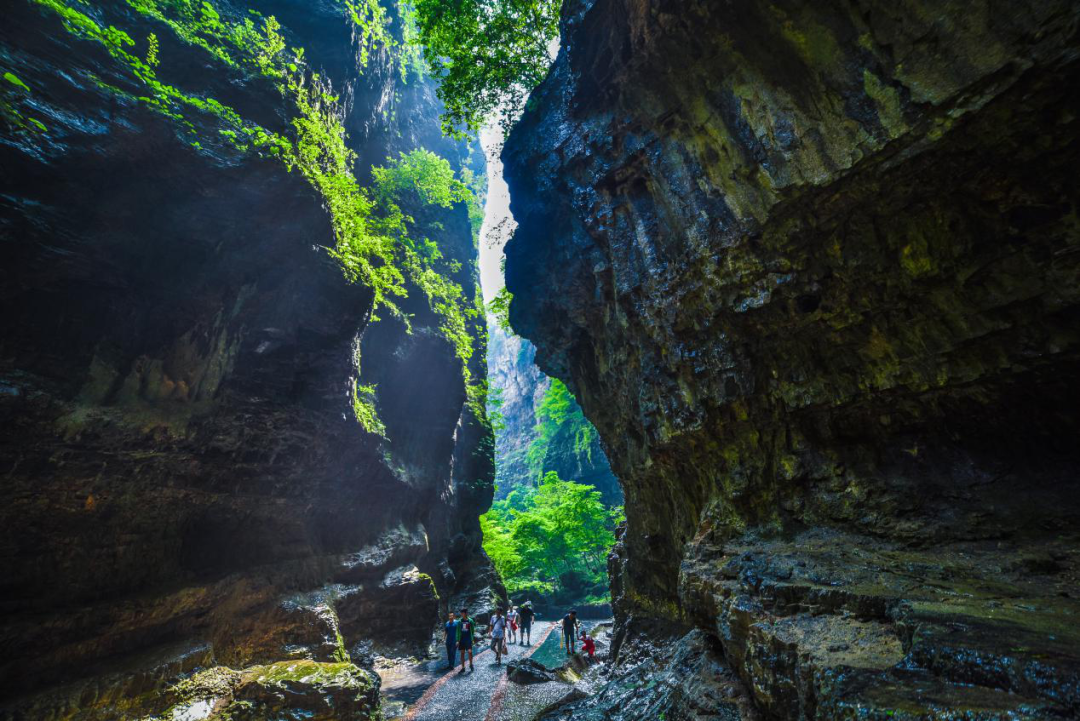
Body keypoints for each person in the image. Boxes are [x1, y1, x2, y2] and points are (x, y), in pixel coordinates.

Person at [457, 608, 475, 673]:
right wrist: (457, 640)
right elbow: (458, 631)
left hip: (468, 639)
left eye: (462, 613)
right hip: (462, 639)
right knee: (462, 653)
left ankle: (471, 664)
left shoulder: (470, 621)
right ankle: (463, 667)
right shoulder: (459, 621)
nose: (461, 614)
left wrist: (472, 639)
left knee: (470, 652)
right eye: (461, 613)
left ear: (465, 613)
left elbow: (472, 630)